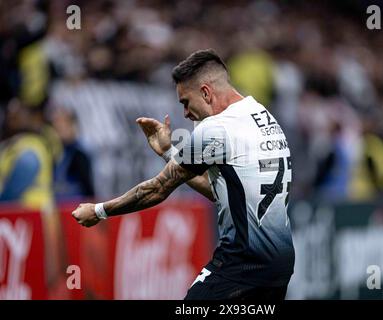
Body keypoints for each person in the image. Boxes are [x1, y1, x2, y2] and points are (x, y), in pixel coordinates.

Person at [72, 49, 294, 300]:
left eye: (185, 102)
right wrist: (169, 151)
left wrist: (99, 211)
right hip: (278, 265)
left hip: (241, 265)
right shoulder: (262, 116)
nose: (186, 114)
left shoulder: (216, 129)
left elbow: (157, 189)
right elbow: (224, 193)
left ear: (206, 92)